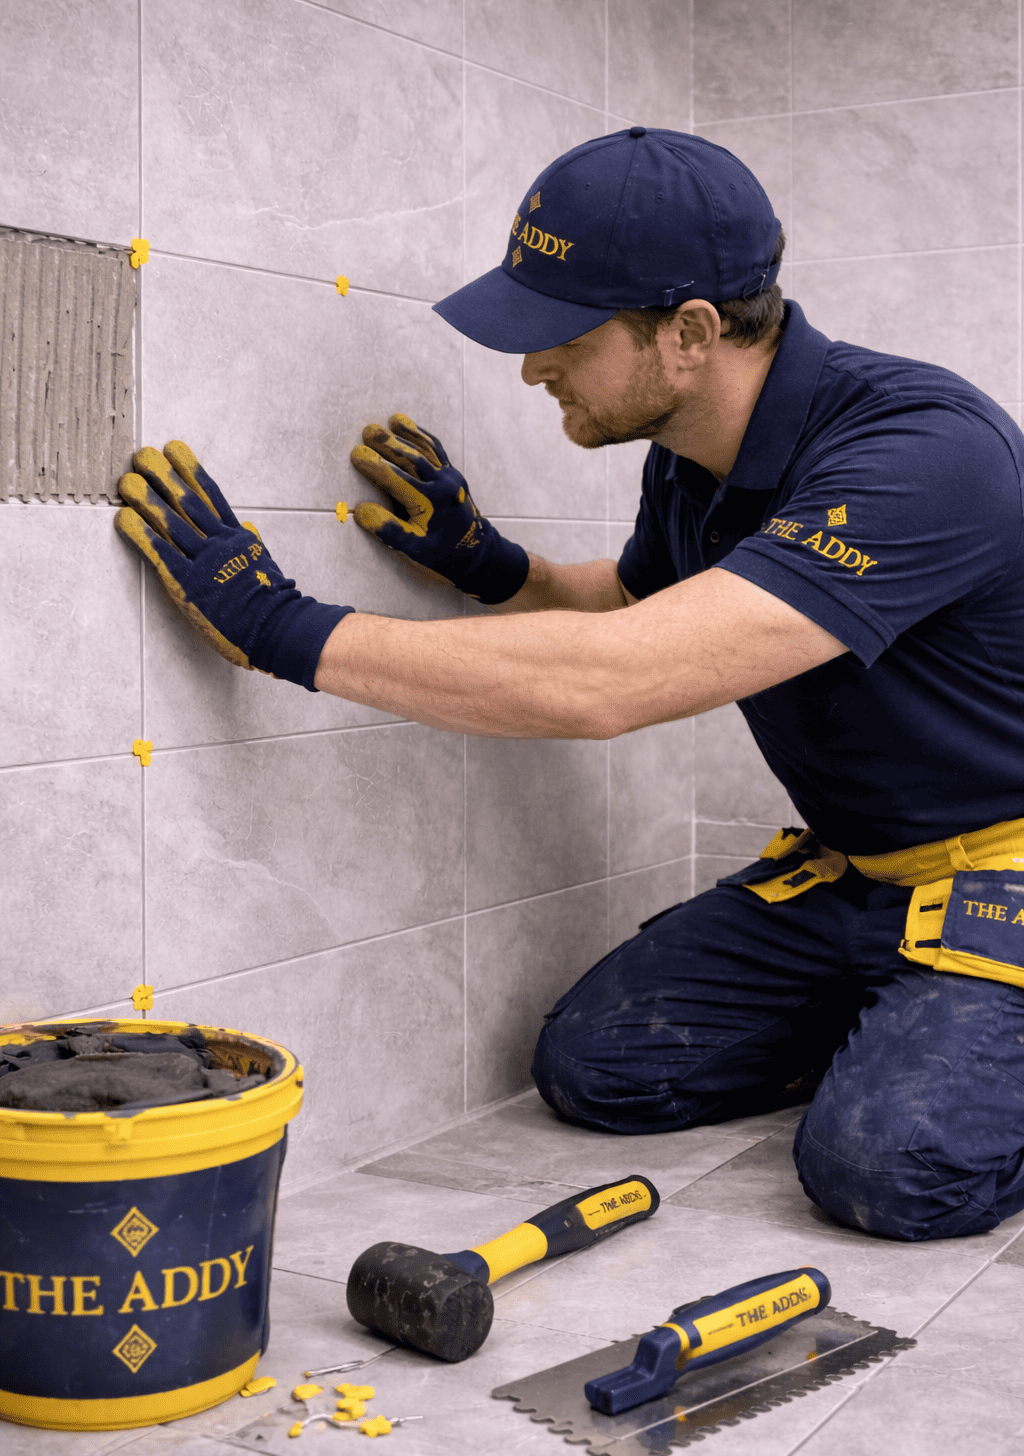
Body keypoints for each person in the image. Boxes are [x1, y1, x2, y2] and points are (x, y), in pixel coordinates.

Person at [115, 128, 1024, 1244]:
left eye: (563, 336)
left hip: (1005, 872)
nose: (530, 366)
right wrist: (492, 566)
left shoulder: (924, 451)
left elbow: (615, 681)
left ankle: (946, 1055)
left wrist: (280, 627)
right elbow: (638, 609)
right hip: (855, 879)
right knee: (599, 1068)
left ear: (690, 333)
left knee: (887, 1172)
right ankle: (924, 1026)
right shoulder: (689, 457)